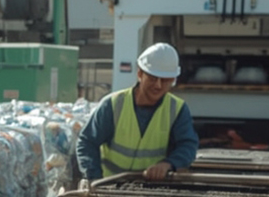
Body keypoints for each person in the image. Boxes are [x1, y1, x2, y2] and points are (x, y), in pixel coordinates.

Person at [77, 42, 199, 181]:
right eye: (153, 78)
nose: (158, 85)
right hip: (110, 186)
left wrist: (168, 164)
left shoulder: (177, 109)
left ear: (173, 80)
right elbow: (87, 142)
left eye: (165, 80)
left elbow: (188, 145)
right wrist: (94, 179)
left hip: (152, 189)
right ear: (140, 74)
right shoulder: (113, 105)